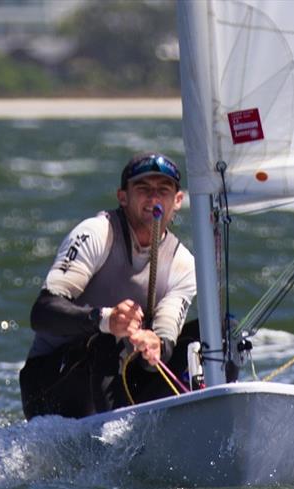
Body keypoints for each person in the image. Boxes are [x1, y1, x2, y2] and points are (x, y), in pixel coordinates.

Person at [19, 152, 198, 420]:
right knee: (108, 340)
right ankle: (117, 441)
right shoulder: (97, 233)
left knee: (212, 337)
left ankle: (202, 425)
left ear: (178, 200)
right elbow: (42, 313)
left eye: (163, 190)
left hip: (122, 378)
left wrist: (157, 344)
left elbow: (165, 336)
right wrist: (105, 319)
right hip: (51, 383)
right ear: (123, 197)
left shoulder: (183, 263)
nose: (153, 198)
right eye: (143, 189)